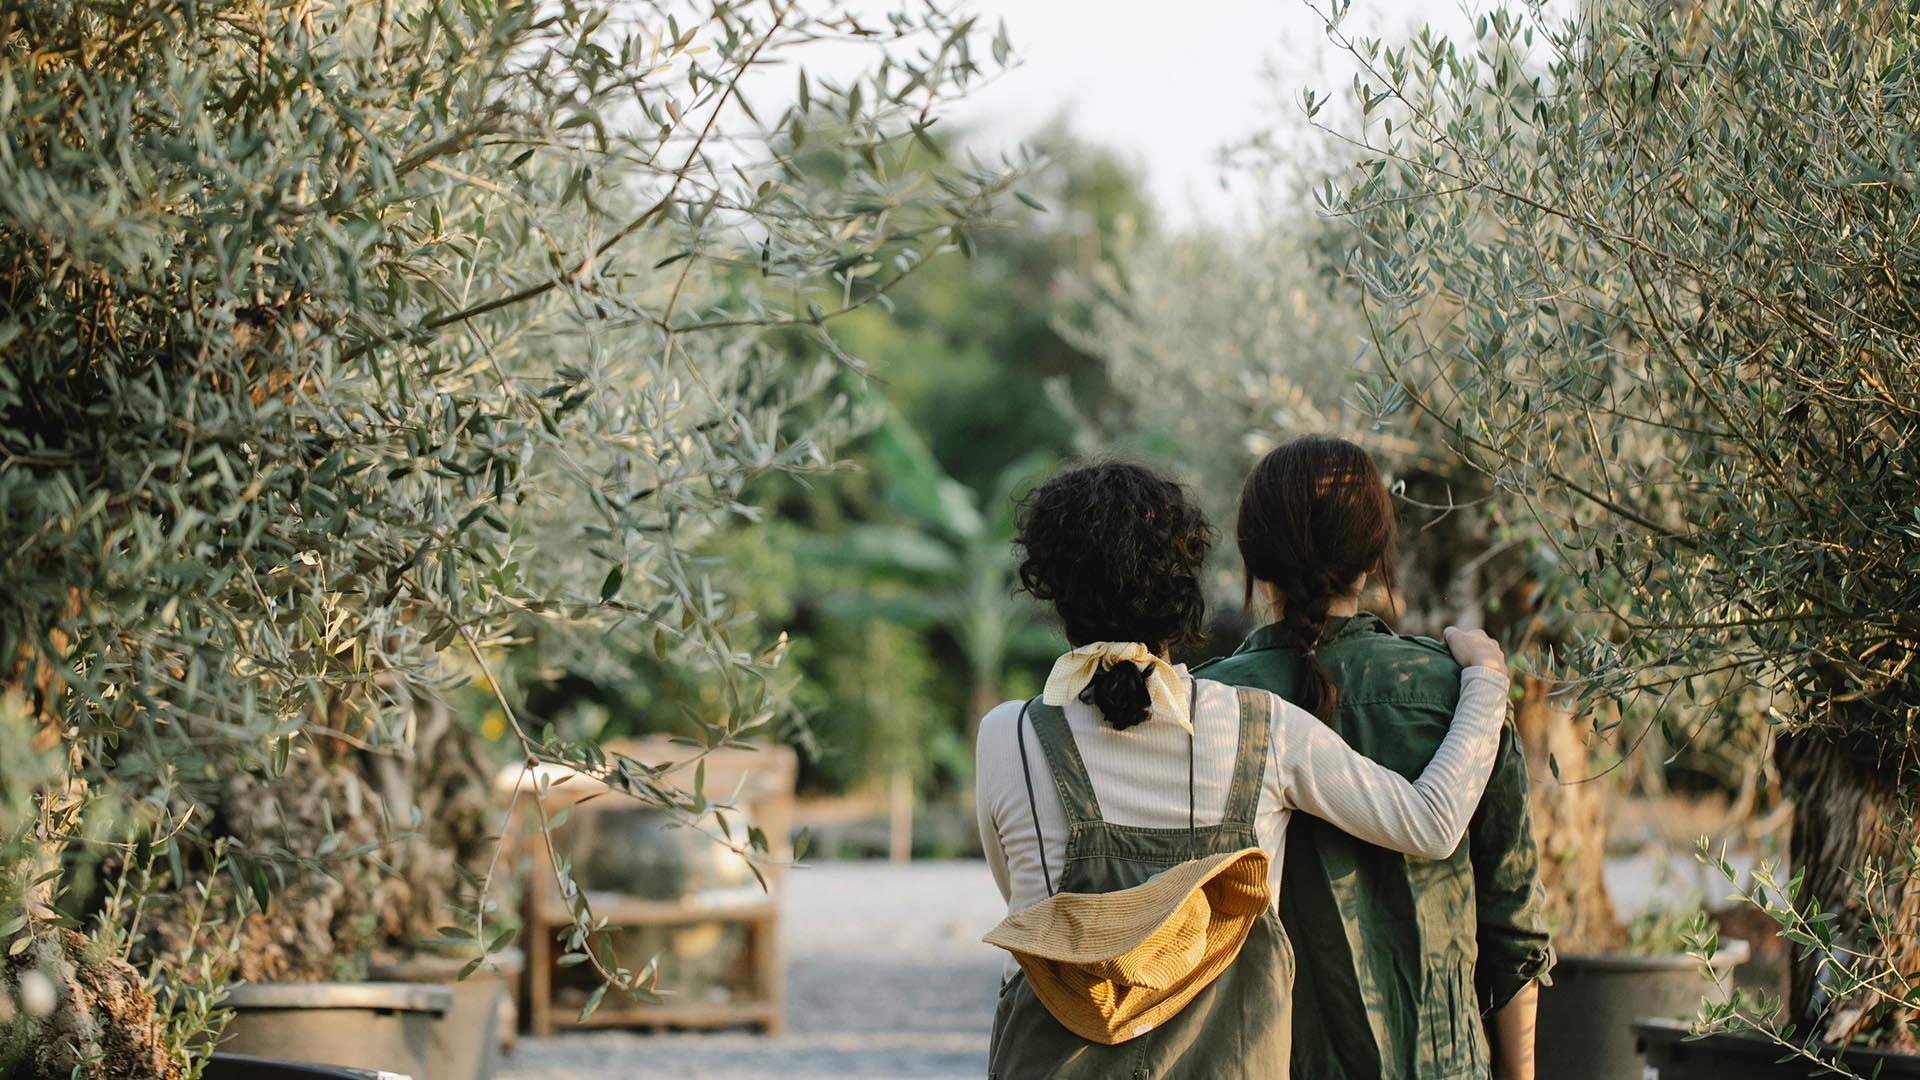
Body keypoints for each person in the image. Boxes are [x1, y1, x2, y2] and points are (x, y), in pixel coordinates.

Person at [975, 461, 1513, 1080]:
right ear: (1185, 583)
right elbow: (1431, 823)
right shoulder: (1261, 727)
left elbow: (1021, 896)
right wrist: (1486, 682)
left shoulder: (1007, 736)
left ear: (1054, 589)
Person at [1196, 435, 1554, 1080]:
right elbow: (1514, 929)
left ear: (1255, 561)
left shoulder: (1205, 707)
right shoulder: (1463, 693)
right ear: (1374, 555)